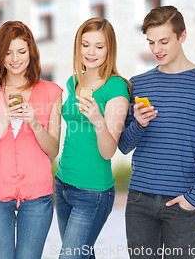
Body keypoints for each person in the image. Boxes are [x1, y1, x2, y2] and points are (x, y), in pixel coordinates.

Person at [118, 5, 195, 259]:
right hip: (139, 201)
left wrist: (194, 197)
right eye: (151, 42)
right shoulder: (138, 84)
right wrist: (139, 125)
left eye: (164, 41)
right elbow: (124, 145)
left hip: (182, 201)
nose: (157, 49)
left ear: (183, 36)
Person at [0, 21, 63, 259]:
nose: (15, 58)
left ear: (31, 53)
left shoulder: (51, 92)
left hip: (37, 196)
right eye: (8, 52)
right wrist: (3, 120)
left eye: (21, 51)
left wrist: (34, 123)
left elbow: (53, 149)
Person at [55, 17, 131, 259]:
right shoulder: (73, 81)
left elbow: (109, 151)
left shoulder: (116, 87)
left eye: (99, 46)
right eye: (85, 44)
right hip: (63, 183)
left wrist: (97, 119)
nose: (91, 52)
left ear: (110, 49)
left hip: (93, 192)